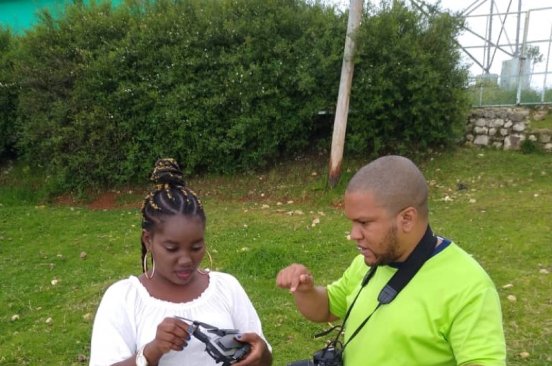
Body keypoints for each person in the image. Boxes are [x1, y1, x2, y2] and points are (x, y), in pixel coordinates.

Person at [276, 155, 506, 366]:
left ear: (406, 218)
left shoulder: (468, 286)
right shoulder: (368, 264)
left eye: (364, 223)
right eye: (353, 223)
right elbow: (326, 309)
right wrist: (305, 290)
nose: (354, 234)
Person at [90, 158, 272, 366]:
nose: (186, 260)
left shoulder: (227, 288)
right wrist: (152, 351)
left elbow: (263, 358)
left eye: (196, 247)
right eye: (172, 248)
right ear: (148, 240)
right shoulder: (124, 299)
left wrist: (261, 352)